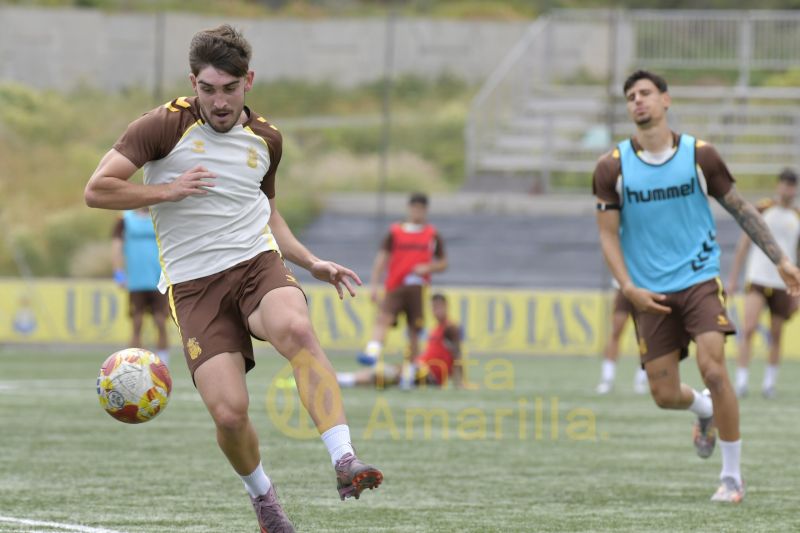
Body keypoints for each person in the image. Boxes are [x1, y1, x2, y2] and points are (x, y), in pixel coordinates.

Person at [84, 24, 381, 532]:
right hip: (194, 285)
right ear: (192, 82)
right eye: (207, 88)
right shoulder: (161, 127)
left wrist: (310, 262)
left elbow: (264, 208)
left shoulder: (266, 139)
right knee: (229, 414)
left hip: (255, 265)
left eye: (229, 88)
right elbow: (97, 190)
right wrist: (168, 191)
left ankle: (344, 460)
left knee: (297, 331)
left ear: (249, 81)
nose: (219, 101)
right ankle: (264, 498)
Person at [593, 70, 800, 504]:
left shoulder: (699, 156)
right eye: (631, 97)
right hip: (648, 292)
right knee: (664, 395)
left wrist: (781, 259)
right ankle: (702, 410)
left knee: (713, 369)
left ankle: (731, 478)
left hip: (700, 279)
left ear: (666, 100)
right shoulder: (611, 167)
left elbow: (740, 209)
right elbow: (608, 235)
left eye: (646, 93)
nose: (638, 102)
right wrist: (627, 286)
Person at [727, 169, 800, 399]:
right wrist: (733, 278)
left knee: (776, 334)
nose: (787, 189)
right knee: (748, 329)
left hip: (782, 284)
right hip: (757, 278)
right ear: (778, 185)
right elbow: (744, 245)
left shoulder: (797, 216)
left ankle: (769, 384)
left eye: (792, 185)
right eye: (784, 184)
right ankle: (742, 381)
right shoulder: (762, 209)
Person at [357, 192, 447, 369]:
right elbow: (381, 259)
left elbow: (443, 263)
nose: (417, 212)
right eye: (415, 208)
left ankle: (412, 368)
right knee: (384, 318)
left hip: (418, 287)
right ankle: (372, 352)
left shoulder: (432, 234)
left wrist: (428, 268)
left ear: (426, 210)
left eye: (421, 209)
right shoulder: (395, 232)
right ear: (409, 209)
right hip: (396, 285)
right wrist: (374, 285)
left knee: (415, 328)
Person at [340, 293, 462, 389]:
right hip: (419, 368)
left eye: (439, 307)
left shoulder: (451, 328)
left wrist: (459, 383)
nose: (436, 311)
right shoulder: (436, 329)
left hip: (429, 375)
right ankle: (344, 379)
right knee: (386, 372)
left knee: (385, 374)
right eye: (433, 307)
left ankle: (342, 379)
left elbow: (457, 355)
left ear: (446, 306)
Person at [112, 207, 171, 365]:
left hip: (159, 279)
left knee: (160, 320)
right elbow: (117, 245)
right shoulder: (124, 219)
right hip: (136, 279)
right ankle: (134, 362)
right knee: (137, 321)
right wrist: (118, 272)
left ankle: (163, 362)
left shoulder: (160, 215)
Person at [595, 284, 648, 395]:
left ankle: (641, 378)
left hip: (645, 288)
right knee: (615, 332)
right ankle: (607, 377)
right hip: (624, 287)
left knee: (645, 336)